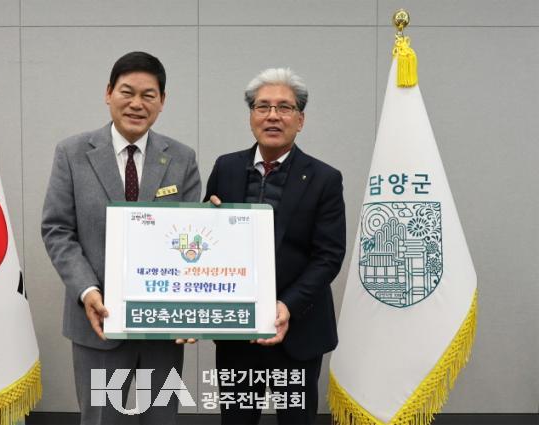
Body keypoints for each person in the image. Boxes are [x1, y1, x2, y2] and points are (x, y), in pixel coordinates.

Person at [42, 51, 201, 425]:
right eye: (127, 92)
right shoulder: (72, 153)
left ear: (162, 101)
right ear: (108, 93)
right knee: (101, 419)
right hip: (97, 322)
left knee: (160, 419)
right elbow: (57, 229)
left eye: (148, 95)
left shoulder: (181, 158)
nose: (136, 104)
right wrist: (87, 291)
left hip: (162, 326)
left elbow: (190, 236)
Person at [204, 68, 346, 424]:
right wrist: (207, 221)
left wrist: (287, 306)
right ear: (251, 116)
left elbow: (328, 256)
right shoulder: (226, 167)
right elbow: (207, 241)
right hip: (237, 330)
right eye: (262, 106)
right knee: (236, 419)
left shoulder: (325, 178)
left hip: (299, 328)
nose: (272, 115)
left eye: (284, 107)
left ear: (300, 120)